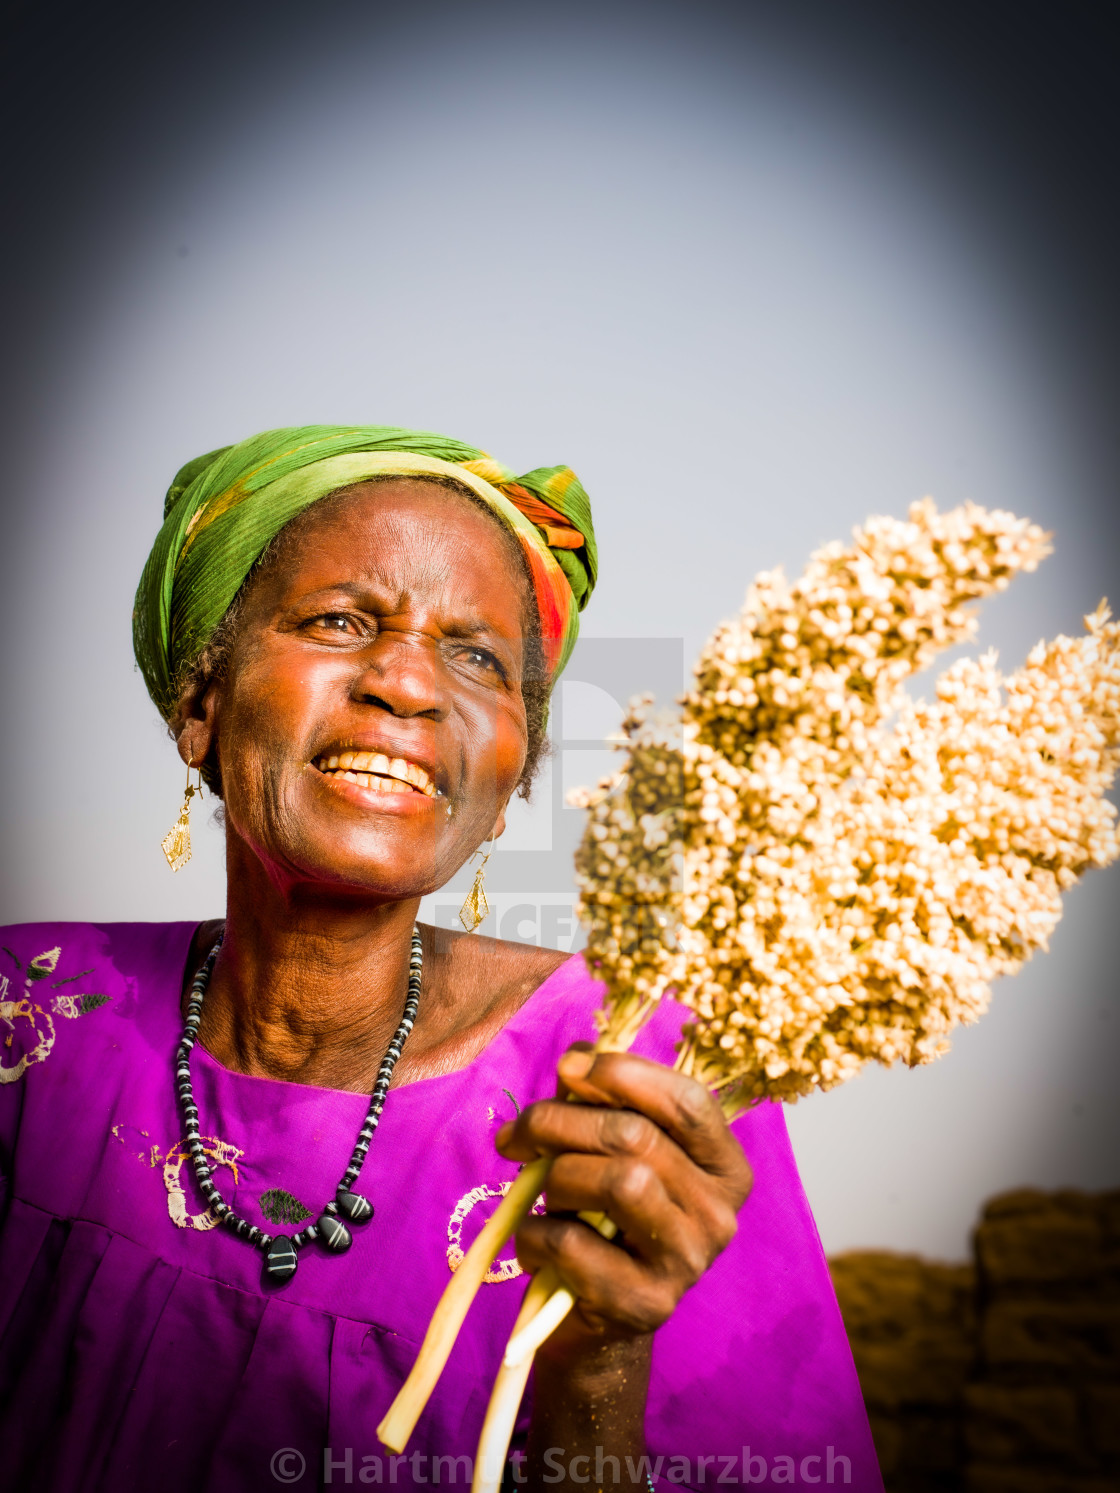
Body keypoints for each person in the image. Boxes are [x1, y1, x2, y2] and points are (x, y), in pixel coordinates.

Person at [0, 425, 882, 1491]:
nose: (408, 685)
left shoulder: (634, 1071)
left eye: (475, 656)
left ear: (514, 781)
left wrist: (597, 1353)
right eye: (338, 619)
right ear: (200, 704)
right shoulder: (28, 1021)